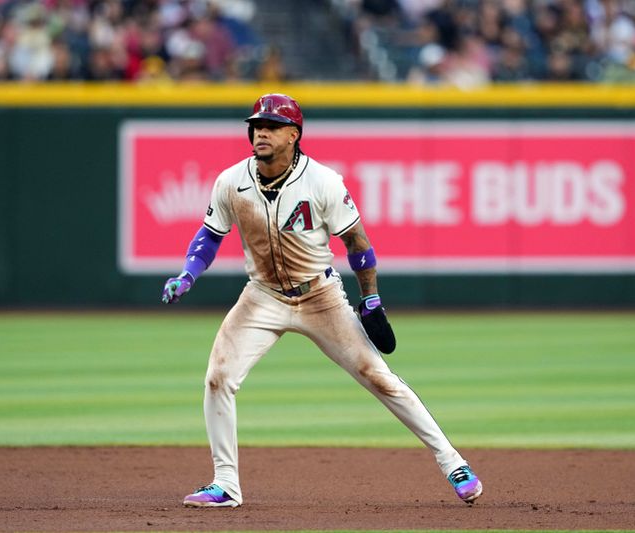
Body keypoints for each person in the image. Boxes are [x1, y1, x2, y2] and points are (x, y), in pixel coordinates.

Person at [161, 93, 483, 508]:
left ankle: (453, 461)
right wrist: (188, 272)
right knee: (218, 378)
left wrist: (371, 300)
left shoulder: (324, 182)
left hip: (320, 296)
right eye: (256, 125)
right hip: (261, 296)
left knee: (380, 377)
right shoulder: (231, 181)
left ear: (293, 135)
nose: (261, 132)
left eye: (272, 126)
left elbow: (358, 244)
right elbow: (209, 235)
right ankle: (225, 484)